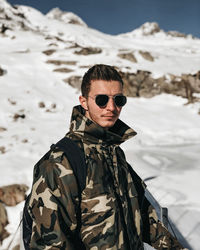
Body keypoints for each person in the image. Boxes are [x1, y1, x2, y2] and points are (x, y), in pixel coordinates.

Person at [27, 64, 184, 249]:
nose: (111, 107)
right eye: (101, 100)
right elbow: (50, 243)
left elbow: (143, 214)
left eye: (119, 100)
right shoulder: (60, 162)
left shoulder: (114, 153)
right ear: (84, 101)